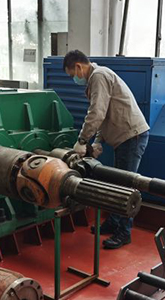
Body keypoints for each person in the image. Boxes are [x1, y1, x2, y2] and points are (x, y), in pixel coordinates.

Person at [63, 50, 150, 250]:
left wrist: (82, 140)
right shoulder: (97, 77)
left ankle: (124, 232)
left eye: (72, 74)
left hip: (131, 137)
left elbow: (97, 112)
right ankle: (113, 222)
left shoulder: (99, 76)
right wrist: (97, 142)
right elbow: (104, 116)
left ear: (79, 67)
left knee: (125, 186)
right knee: (116, 181)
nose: (74, 79)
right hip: (126, 137)